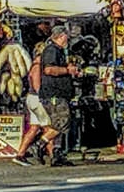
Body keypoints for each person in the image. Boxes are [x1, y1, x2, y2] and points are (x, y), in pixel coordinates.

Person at [13, 23, 77, 167]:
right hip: (47, 96)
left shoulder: (56, 51)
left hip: (44, 96)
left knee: (39, 126)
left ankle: (42, 154)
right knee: (59, 123)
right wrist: (67, 70)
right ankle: (41, 147)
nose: (68, 39)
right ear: (61, 36)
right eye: (66, 36)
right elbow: (47, 71)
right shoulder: (50, 52)